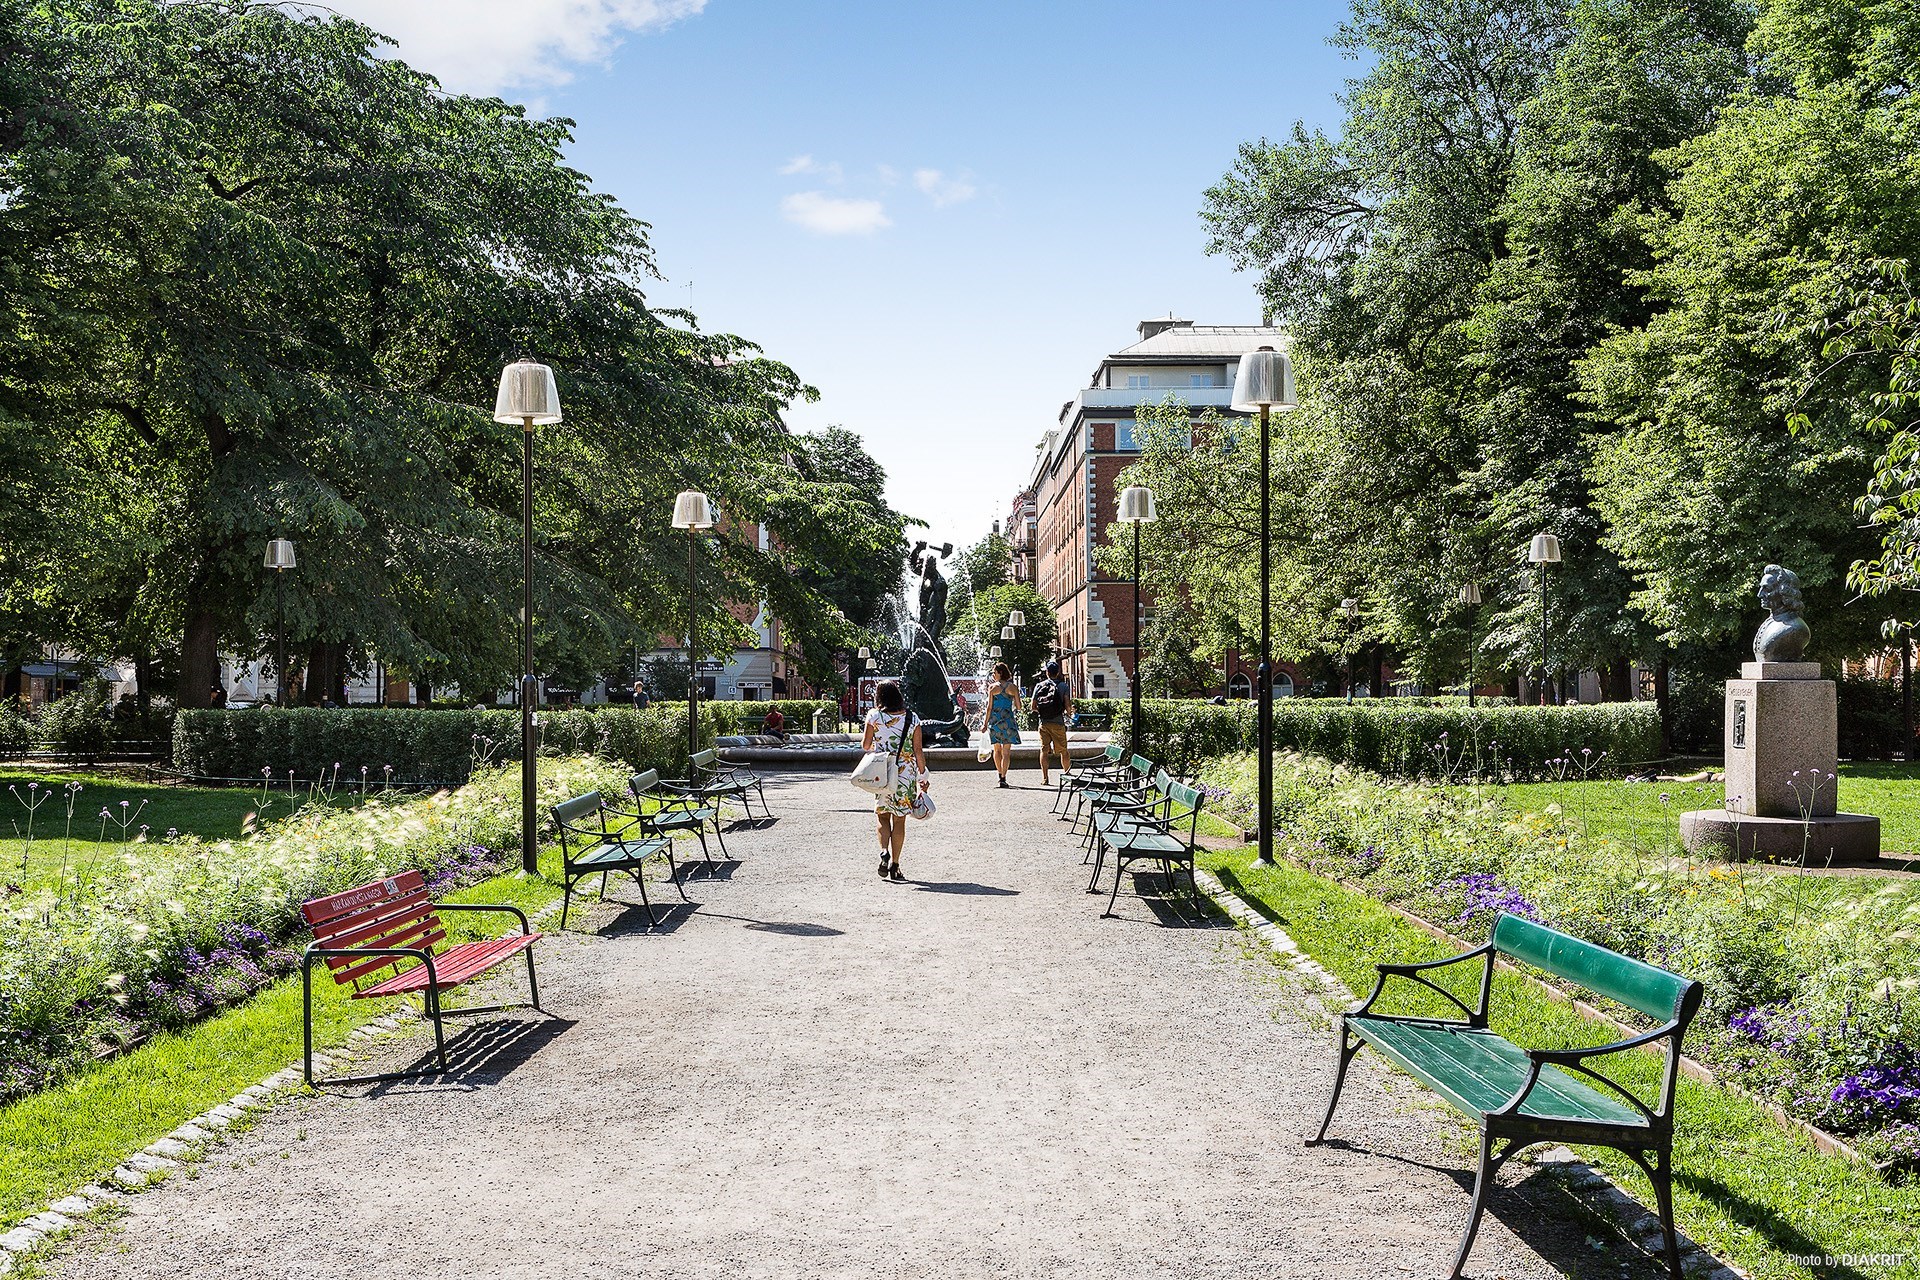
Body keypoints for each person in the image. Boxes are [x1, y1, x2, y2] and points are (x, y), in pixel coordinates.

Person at [862, 680, 928, 882]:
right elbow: (918, 750)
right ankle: (896, 865)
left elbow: (865, 746)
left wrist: (879, 742)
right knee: (899, 819)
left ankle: (884, 851)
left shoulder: (874, 716)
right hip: (905, 775)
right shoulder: (912, 718)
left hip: (882, 773)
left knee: (883, 817)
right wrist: (923, 776)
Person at [1031, 660, 1073, 786]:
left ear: (1047, 673)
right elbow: (1067, 704)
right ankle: (1067, 774)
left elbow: (1032, 706)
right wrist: (1068, 713)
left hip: (1044, 723)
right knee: (1064, 750)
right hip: (1058, 722)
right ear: (1058, 672)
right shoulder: (1063, 686)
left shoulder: (1039, 686)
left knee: (1044, 750)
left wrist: (1042, 712)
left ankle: (1045, 778)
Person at [985, 662, 1022, 788]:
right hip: (1008, 720)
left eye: (994, 673)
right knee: (1006, 752)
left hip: (995, 720)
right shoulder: (1013, 687)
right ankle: (1004, 777)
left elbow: (989, 708)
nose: (993, 675)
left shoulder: (992, 688)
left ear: (1000, 673)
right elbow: (1019, 706)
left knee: (997, 750)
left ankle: (999, 774)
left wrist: (985, 724)